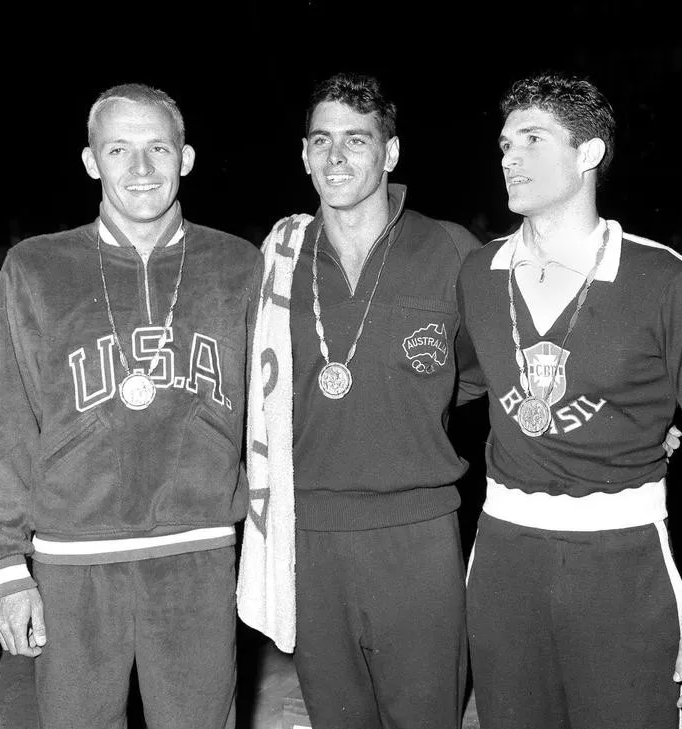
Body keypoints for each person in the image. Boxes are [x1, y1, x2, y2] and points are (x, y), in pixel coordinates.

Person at [457, 72, 682, 729]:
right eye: (504, 144)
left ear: (588, 152)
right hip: (503, 559)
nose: (508, 156)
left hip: (622, 562)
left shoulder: (666, 281)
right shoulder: (477, 275)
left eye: (532, 139)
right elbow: (455, 380)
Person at [0, 84, 262, 729]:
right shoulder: (35, 267)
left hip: (198, 555)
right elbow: (5, 420)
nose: (141, 169)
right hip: (71, 560)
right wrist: (3, 564)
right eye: (120, 150)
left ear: (186, 158)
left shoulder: (238, 266)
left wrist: (263, 548)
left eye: (157, 148)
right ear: (91, 162)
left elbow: (270, 417)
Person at [236, 72, 482, 729]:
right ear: (303, 153)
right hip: (307, 533)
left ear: (391, 152)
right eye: (322, 141)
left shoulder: (450, 247)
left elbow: (498, 369)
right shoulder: (274, 260)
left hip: (417, 531)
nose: (337, 157)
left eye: (356, 140)